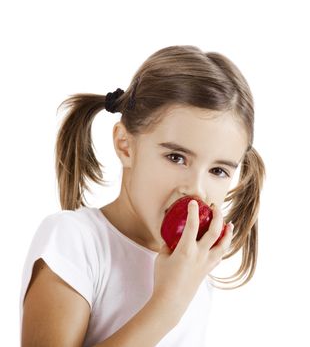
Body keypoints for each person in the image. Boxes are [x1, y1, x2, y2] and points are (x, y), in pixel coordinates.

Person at [19, 45, 266, 346]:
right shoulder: (75, 242)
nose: (196, 189)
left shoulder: (194, 268)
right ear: (126, 145)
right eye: (176, 157)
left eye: (218, 171)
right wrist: (168, 304)